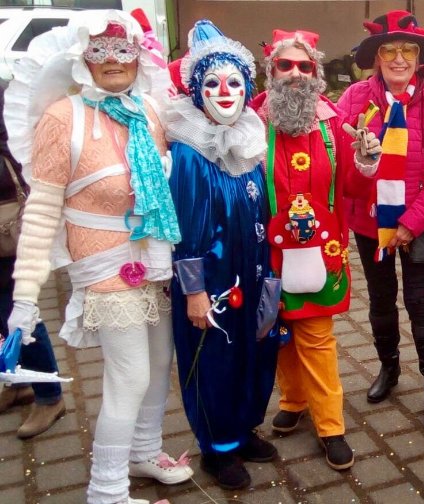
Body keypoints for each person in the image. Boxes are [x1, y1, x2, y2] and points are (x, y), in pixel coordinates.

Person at [3, 10, 192, 503]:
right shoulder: (62, 118)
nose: (113, 60)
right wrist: (25, 297)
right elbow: (42, 211)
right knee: (128, 376)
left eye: (123, 49)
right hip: (104, 266)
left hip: (154, 257)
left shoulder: (149, 110)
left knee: (159, 362)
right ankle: (106, 490)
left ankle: (143, 452)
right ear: (82, 57)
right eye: (100, 50)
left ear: (138, 57)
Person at [166, 20, 279, 490]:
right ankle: (218, 448)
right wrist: (194, 292)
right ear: (195, 91)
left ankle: (244, 427)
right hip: (213, 284)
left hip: (253, 271)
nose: (225, 92)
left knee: (255, 348)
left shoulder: (250, 143)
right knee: (215, 358)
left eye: (235, 82)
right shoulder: (190, 153)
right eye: (212, 83)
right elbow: (185, 230)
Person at [337, 10, 424, 433]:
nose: (400, 58)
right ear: (377, 57)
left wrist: (412, 222)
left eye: (408, 50)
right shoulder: (355, 98)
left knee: (421, 302)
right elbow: (341, 164)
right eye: (389, 50)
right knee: (381, 299)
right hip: (369, 221)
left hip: (419, 222)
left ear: (419, 57)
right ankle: (389, 369)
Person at [251, 29, 355, 470]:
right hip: (266, 247)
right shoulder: (249, 120)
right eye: (285, 65)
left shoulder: (333, 123)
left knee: (315, 335)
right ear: (270, 70)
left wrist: (367, 159)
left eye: (304, 66)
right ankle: (293, 400)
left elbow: (353, 184)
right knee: (278, 332)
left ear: (316, 73)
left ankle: (330, 426)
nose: (295, 73)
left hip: (320, 248)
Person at [0, 85, 66, 439]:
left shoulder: (5, 92)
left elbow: (16, 144)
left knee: (16, 308)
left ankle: (49, 394)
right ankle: (17, 379)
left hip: (7, 225)